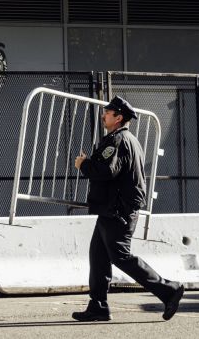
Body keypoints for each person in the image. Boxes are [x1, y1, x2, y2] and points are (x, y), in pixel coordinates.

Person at [72, 96, 185, 322]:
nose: (103, 115)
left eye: (108, 113)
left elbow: (106, 171)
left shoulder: (119, 140)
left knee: (121, 257)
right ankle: (98, 306)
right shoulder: (124, 139)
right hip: (110, 209)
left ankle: (168, 290)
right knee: (98, 257)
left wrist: (83, 164)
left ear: (119, 117)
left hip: (118, 210)